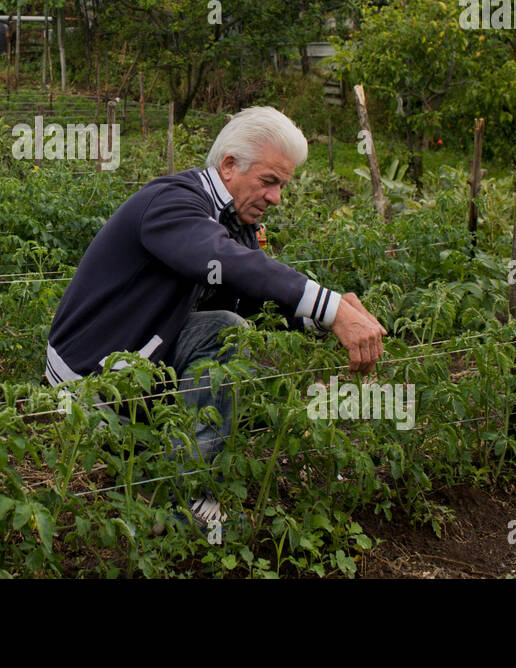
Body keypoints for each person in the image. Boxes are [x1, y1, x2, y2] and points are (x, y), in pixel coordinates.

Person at [43, 106, 387, 531]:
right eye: (268, 181)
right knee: (226, 335)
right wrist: (330, 306)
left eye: (282, 185)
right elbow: (228, 262)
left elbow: (253, 300)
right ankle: (180, 502)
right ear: (229, 166)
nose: (276, 197)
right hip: (89, 376)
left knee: (246, 359)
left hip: (141, 357)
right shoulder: (172, 202)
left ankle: (184, 464)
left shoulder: (231, 219)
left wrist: (329, 317)